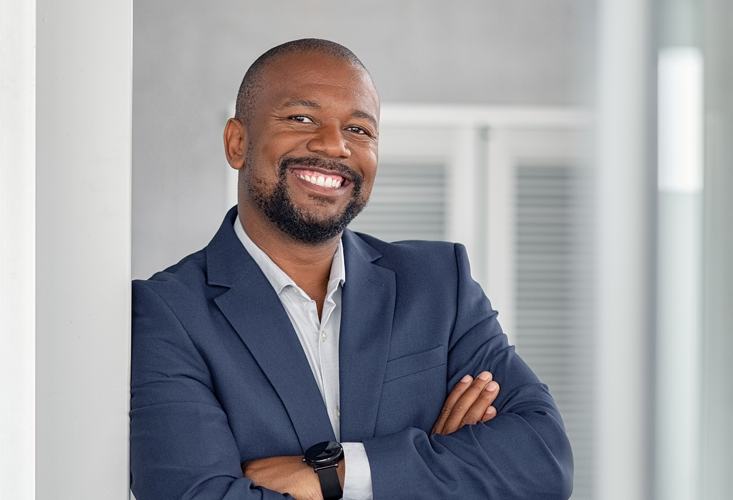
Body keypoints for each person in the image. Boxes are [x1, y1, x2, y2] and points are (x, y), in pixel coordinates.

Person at [130, 38, 573, 500]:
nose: (333, 145)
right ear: (238, 143)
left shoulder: (441, 285)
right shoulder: (169, 313)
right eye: (301, 118)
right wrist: (433, 468)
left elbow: (543, 461)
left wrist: (334, 475)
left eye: (359, 129)